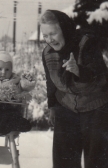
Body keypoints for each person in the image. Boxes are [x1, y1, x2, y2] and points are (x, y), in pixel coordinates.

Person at [40, 10, 108, 168]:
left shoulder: (86, 43)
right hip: (66, 106)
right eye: (45, 36)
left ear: (64, 28)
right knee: (64, 159)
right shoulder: (47, 53)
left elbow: (101, 76)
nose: (49, 40)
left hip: (95, 107)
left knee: (96, 160)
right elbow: (51, 83)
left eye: (53, 33)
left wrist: (79, 71)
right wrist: (52, 107)